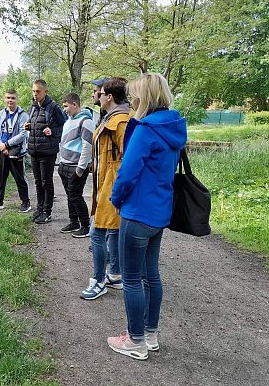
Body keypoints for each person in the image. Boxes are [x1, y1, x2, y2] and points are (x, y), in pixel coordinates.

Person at [107, 73, 187, 360]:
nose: (131, 101)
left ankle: (135, 341)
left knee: (131, 279)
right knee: (151, 275)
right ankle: (150, 335)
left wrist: (115, 199)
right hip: (159, 213)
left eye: (134, 96)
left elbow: (127, 173)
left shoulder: (144, 129)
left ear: (144, 97)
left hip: (137, 212)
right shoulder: (174, 126)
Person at [80, 78, 130, 300]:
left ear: (109, 97)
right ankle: (116, 274)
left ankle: (98, 280)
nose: (97, 96)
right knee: (112, 231)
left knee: (96, 233)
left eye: (99, 94)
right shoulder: (110, 118)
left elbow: (128, 160)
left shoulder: (121, 123)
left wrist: (117, 189)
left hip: (112, 187)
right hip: (105, 185)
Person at [25, 79, 67, 224]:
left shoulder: (54, 107)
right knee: (37, 182)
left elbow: (65, 126)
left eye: (38, 91)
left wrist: (53, 131)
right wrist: (29, 126)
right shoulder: (33, 107)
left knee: (46, 182)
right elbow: (37, 124)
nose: (35, 94)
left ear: (45, 92)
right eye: (33, 91)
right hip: (34, 150)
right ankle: (40, 209)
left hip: (48, 152)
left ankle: (47, 212)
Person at [0, 89, 31, 212]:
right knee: (0, 176)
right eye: (8, 98)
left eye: (12, 98)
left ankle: (25, 202)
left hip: (16, 151)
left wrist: (7, 145)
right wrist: (1, 145)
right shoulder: (1, 113)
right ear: (5, 99)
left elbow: (23, 134)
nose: (10, 100)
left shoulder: (23, 115)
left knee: (19, 177)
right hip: (1, 150)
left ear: (17, 99)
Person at [58, 93, 95, 238]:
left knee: (76, 196)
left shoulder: (86, 121)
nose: (65, 110)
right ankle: (74, 222)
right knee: (69, 195)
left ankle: (85, 225)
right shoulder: (68, 121)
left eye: (66, 106)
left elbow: (87, 146)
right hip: (64, 165)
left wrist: (80, 169)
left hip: (76, 167)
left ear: (75, 104)